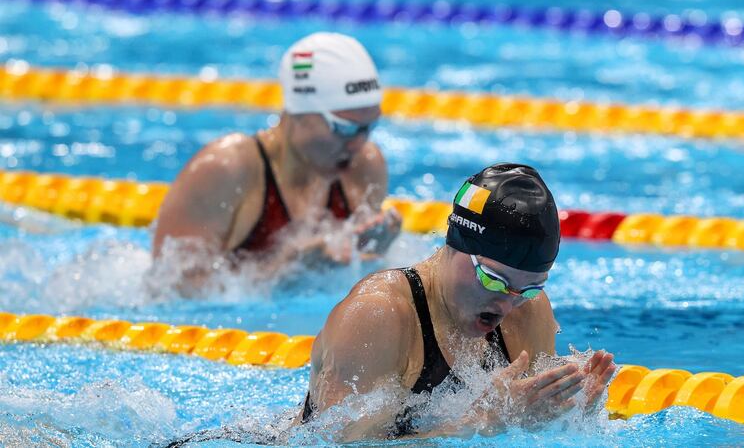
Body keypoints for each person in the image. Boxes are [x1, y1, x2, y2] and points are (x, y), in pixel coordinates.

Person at [298, 163, 617, 440]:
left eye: (528, 289)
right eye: (494, 279)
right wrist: (478, 424)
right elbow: (336, 443)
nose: (506, 306)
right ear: (456, 244)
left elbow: (528, 433)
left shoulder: (529, 311)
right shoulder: (378, 315)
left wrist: (572, 415)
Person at [152, 32, 401, 289]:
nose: (358, 143)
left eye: (368, 127)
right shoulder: (227, 169)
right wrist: (286, 270)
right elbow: (169, 289)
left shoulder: (364, 166)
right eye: (345, 128)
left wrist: (373, 257)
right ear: (299, 112)